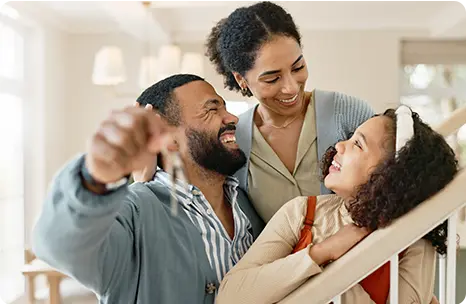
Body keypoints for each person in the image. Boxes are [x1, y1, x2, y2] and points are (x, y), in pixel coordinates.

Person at [32, 74, 265, 304]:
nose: (232, 117)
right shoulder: (135, 211)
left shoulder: (247, 201)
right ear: (167, 137)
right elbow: (59, 246)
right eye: (212, 110)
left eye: (224, 108)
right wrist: (95, 176)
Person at [216, 106, 458, 304]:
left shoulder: (412, 241)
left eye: (357, 144)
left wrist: (339, 265)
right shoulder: (302, 212)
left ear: (391, 175)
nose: (340, 146)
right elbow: (230, 297)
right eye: (350, 137)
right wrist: (323, 251)